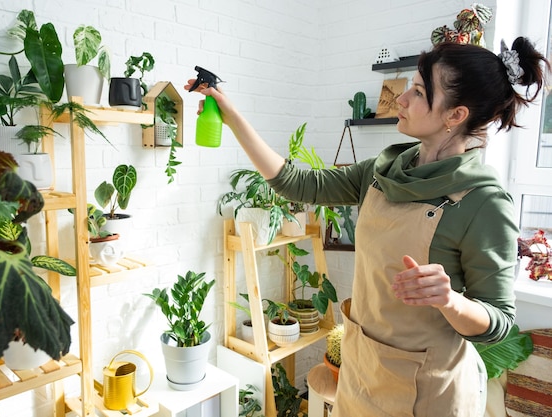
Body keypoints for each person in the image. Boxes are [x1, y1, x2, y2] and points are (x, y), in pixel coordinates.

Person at [186, 37, 549, 417]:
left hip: (427, 392)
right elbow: (298, 183)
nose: (402, 99)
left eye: (420, 91)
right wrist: (231, 115)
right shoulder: (382, 170)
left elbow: (499, 322)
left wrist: (449, 300)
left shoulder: (483, 202)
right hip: (361, 371)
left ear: (454, 115)